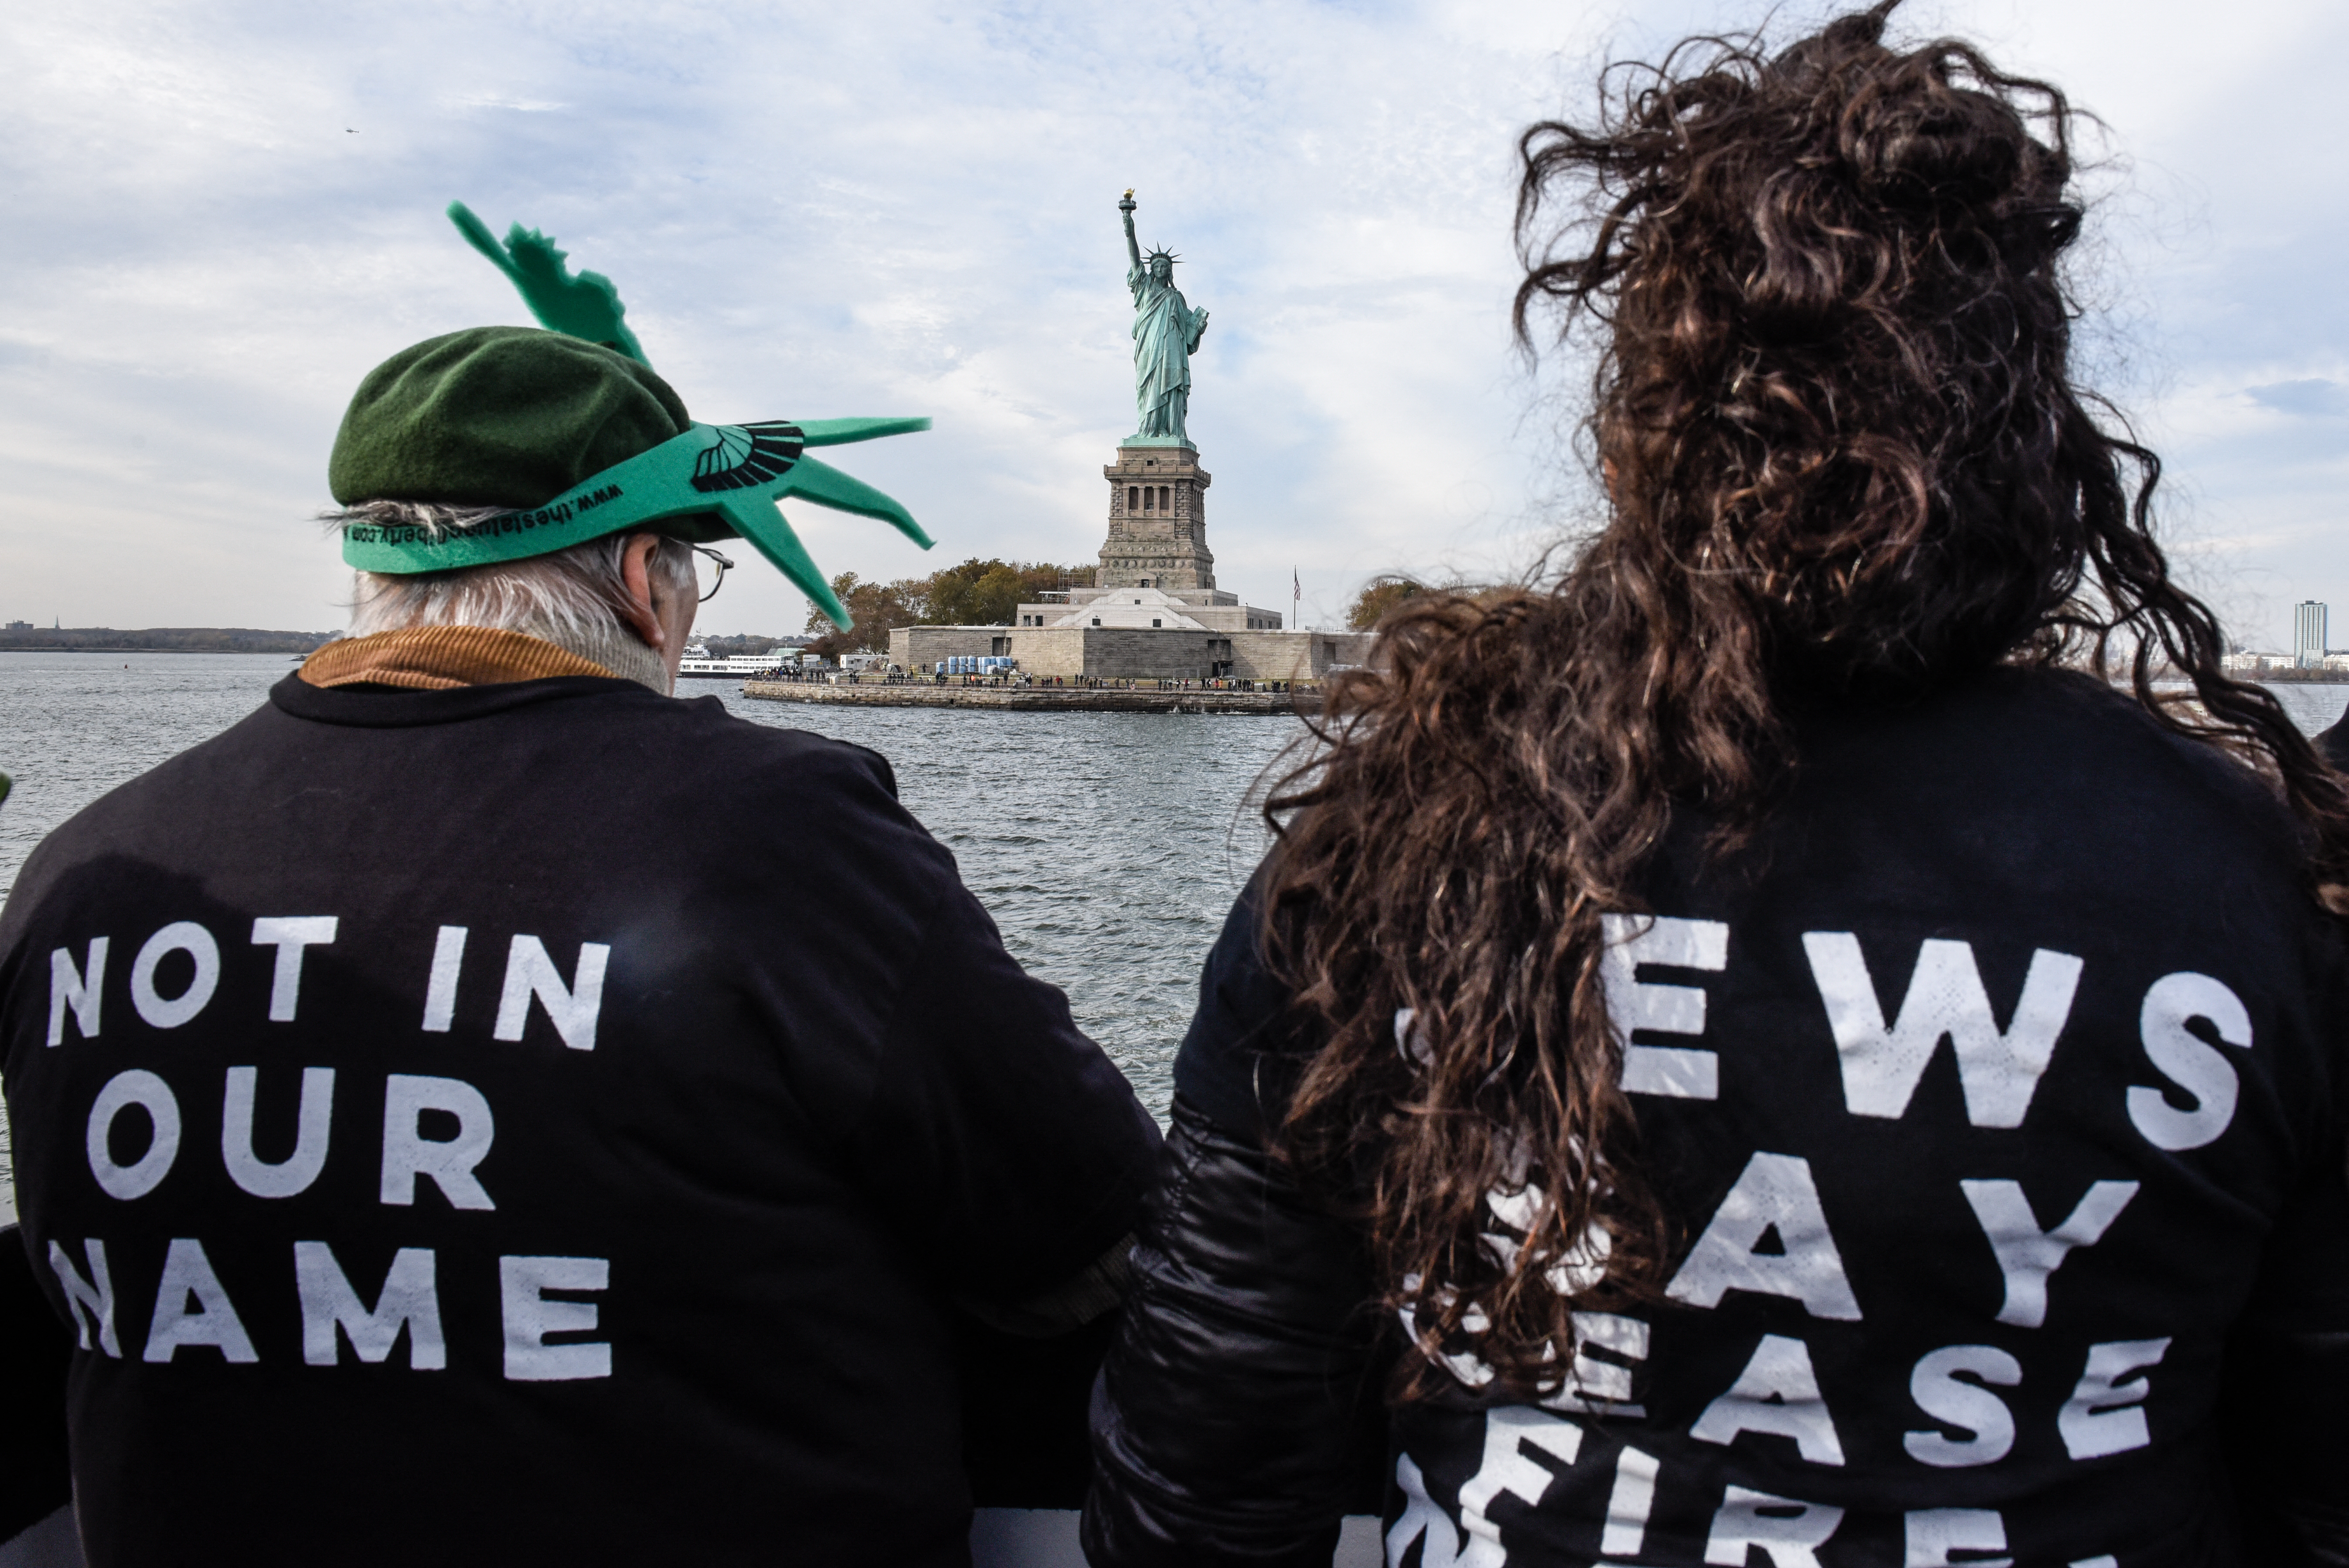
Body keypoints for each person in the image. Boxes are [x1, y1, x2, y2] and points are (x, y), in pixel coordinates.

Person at [1083, 6, 2349, 1564]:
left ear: (1648, 426)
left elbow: (1211, 1468)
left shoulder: (1400, 845)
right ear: (2038, 439)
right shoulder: (2254, 882)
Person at [0, 209, 1159, 1566]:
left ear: (369, 568)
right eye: (700, 575)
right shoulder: (777, 837)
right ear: (637, 580)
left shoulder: (81, 875)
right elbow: (1093, 1224)